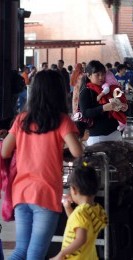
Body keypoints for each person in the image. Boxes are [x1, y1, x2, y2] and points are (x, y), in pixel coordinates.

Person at [1, 70, 83, 259]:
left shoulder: (22, 119)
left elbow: (5, 151)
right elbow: (77, 152)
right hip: (46, 194)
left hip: (21, 192)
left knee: (20, 251)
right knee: (35, 254)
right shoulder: (62, 120)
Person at [50, 163, 107, 260]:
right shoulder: (96, 209)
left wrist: (61, 254)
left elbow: (81, 239)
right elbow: (78, 224)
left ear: (74, 190)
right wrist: (67, 207)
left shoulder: (80, 212)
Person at [78, 60, 121, 146]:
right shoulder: (86, 91)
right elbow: (85, 112)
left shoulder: (110, 88)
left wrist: (124, 106)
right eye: (97, 74)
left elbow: (123, 102)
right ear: (89, 75)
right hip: (97, 136)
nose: (101, 77)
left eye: (103, 74)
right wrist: (103, 108)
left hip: (114, 132)